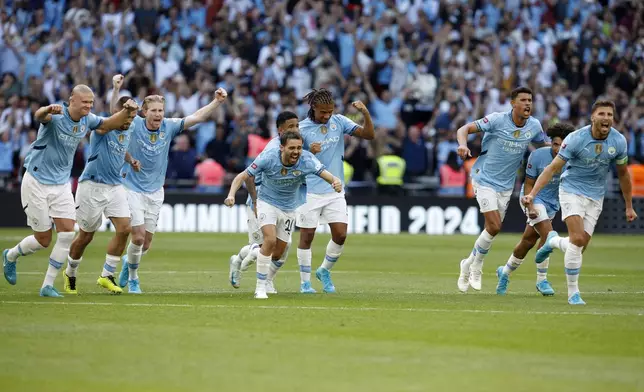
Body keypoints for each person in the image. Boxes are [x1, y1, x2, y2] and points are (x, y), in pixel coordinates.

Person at [2, 85, 138, 297]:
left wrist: (127, 111)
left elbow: (110, 122)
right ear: (72, 100)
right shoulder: (56, 116)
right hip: (36, 180)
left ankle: (47, 285)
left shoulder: (88, 120)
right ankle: (10, 256)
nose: (89, 105)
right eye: (85, 101)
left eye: (91, 102)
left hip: (61, 184)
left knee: (67, 233)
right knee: (43, 240)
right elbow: (38, 116)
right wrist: (46, 109)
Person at [114, 86, 228, 294]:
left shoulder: (169, 126)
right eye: (154, 110)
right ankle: (133, 279)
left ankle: (127, 262)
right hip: (131, 188)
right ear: (144, 112)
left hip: (156, 191)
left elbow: (195, 118)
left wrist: (217, 102)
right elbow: (115, 136)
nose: (158, 114)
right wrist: (116, 89)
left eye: (161, 110)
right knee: (137, 237)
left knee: (145, 244)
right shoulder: (134, 124)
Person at [522, 100, 637, 305]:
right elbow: (552, 168)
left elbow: (624, 175)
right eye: (602, 113)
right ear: (593, 117)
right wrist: (532, 194)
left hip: (596, 196)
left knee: (580, 246)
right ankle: (573, 293)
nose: (606, 118)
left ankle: (553, 241)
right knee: (577, 239)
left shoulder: (618, 141)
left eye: (610, 115)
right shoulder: (576, 139)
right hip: (571, 190)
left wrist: (629, 205)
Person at [224, 130, 342, 299]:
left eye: (299, 148)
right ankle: (260, 288)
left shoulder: (307, 159)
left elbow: (326, 175)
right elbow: (242, 176)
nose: (296, 152)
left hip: (288, 209)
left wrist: (335, 182)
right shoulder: (268, 158)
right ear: (281, 147)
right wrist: (231, 195)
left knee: (277, 253)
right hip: (267, 203)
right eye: (292, 148)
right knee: (269, 240)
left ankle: (242, 256)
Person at [456, 86, 547, 293]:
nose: (527, 104)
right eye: (523, 100)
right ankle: (477, 266)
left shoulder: (534, 125)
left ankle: (467, 263)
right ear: (513, 103)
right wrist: (462, 145)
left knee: (491, 229)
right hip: (484, 178)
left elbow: (545, 148)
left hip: (506, 186)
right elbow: (463, 129)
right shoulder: (496, 120)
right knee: (495, 226)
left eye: (530, 100)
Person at [62, 75, 142, 295]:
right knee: (86, 236)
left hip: (115, 185)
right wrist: (117, 94)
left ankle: (106, 275)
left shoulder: (129, 127)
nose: (130, 121)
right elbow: (112, 116)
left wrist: (130, 159)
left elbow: (120, 146)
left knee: (125, 229)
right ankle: (70, 272)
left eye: (133, 116)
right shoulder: (103, 127)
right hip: (92, 185)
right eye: (128, 116)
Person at [294, 88, 375, 294]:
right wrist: (305, 152)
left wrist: (365, 113)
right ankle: (305, 283)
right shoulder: (300, 129)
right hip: (309, 190)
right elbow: (288, 158)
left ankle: (324, 271)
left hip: (335, 189)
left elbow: (368, 135)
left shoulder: (339, 121)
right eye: (323, 112)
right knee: (307, 237)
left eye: (330, 111)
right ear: (313, 107)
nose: (327, 115)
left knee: (340, 235)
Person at [227, 111, 306, 293]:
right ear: (280, 130)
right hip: (262, 201)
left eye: (297, 126)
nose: (296, 130)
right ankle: (239, 261)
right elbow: (248, 176)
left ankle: (267, 279)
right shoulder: (271, 151)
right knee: (264, 245)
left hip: (285, 204)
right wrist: (255, 201)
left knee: (283, 249)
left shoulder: (294, 146)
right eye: (291, 127)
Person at [495, 122, 575, 296]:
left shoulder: (573, 158)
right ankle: (542, 280)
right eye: (555, 144)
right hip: (533, 197)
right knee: (549, 235)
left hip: (553, 202)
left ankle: (504, 272)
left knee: (528, 241)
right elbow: (529, 183)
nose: (557, 148)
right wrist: (530, 206)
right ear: (550, 142)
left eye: (562, 145)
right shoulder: (537, 156)